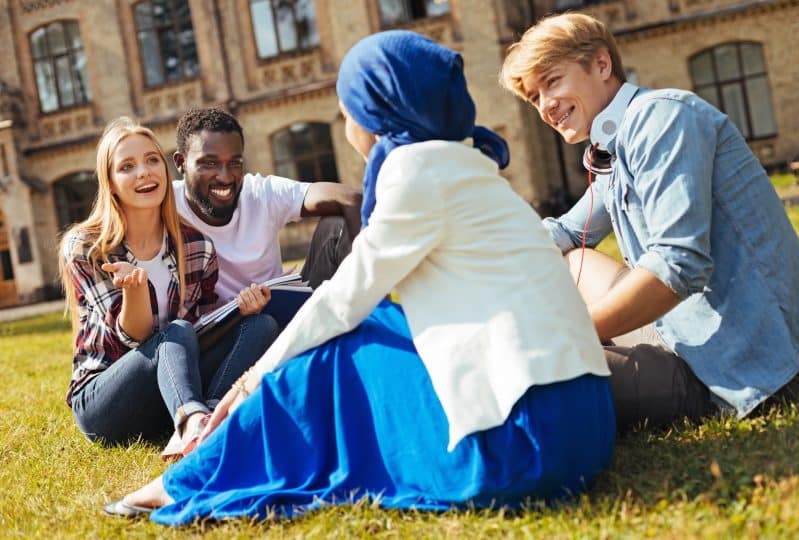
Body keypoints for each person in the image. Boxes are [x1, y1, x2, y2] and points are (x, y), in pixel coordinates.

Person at [103, 31, 615, 522]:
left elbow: (340, 303)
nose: (346, 121)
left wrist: (249, 381)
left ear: (374, 111)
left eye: (347, 108)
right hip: (585, 429)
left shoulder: (418, 170)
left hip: (525, 444)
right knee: (382, 324)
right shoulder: (469, 164)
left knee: (332, 348)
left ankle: (187, 481)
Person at [499, 13, 799, 430]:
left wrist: (573, 332)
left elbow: (678, 265)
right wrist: (481, 261)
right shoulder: (617, 142)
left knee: (522, 371)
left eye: (552, 81)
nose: (545, 107)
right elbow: (567, 233)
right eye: (535, 97)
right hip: (677, 332)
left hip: (744, 368)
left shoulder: (661, 119)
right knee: (571, 259)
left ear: (602, 64)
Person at [59, 118, 279, 458]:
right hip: (107, 401)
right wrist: (135, 292)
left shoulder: (196, 245)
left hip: (168, 393)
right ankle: (192, 419)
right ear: (112, 183)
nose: (144, 172)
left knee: (260, 325)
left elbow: (202, 332)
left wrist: (238, 313)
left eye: (151, 160)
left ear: (165, 168)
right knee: (173, 332)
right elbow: (133, 339)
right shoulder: (88, 246)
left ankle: (211, 416)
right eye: (127, 166)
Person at [171, 108, 362, 319]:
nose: (225, 177)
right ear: (181, 163)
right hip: (223, 334)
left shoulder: (261, 192)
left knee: (337, 225)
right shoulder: (165, 205)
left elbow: (351, 198)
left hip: (281, 312)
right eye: (209, 163)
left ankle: (369, 324)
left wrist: (373, 275)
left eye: (234, 163)